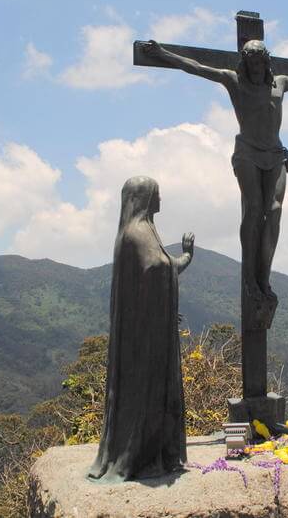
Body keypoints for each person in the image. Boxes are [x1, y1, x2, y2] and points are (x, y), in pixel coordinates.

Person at [141, 39, 288, 330]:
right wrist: (162, 53)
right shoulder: (233, 81)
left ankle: (263, 278)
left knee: (274, 211)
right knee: (254, 210)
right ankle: (249, 279)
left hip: (276, 154)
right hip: (247, 154)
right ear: (245, 62)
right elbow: (196, 67)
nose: (255, 67)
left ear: (265, 62)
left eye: (259, 61)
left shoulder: (279, 83)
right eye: (250, 62)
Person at [88, 176, 195, 481]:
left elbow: (162, 266)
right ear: (144, 198)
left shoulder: (139, 231)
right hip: (145, 341)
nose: (160, 200)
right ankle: (142, 456)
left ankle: (154, 453)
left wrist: (184, 257)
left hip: (144, 336)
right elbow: (157, 268)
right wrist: (175, 264)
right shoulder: (137, 233)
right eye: (156, 195)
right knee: (147, 397)